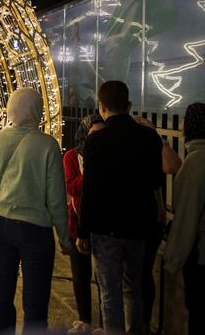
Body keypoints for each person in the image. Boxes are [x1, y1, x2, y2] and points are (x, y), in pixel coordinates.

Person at [0, 87, 71, 335]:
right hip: (34, 229)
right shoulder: (48, 145)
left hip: (0, 224)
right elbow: (56, 200)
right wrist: (65, 237)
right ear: (36, 110)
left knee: (1, 295)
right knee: (36, 300)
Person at [76, 81, 163, 334]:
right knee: (133, 288)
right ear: (129, 105)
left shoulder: (96, 141)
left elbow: (89, 191)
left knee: (109, 295)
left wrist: (83, 231)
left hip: (106, 230)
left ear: (101, 107)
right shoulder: (149, 137)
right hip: (138, 227)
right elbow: (156, 181)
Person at [134, 115, 182, 332]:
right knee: (139, 274)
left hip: (151, 220)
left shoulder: (152, 145)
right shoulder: (133, 147)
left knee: (142, 273)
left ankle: (142, 322)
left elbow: (173, 166)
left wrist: (157, 137)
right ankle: (139, 321)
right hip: (144, 218)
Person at [164, 103, 205, 335]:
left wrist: (173, 259)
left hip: (199, 258)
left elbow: (187, 218)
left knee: (197, 312)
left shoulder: (196, 162)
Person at [64, 114, 104, 334]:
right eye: (93, 135)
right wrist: (89, 169)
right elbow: (72, 187)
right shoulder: (71, 157)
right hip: (76, 223)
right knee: (80, 274)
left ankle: (104, 323)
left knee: (103, 276)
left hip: (102, 225)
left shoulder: (108, 155)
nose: (97, 140)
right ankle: (84, 319)